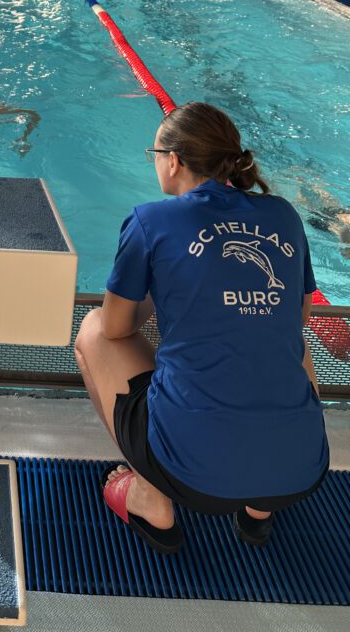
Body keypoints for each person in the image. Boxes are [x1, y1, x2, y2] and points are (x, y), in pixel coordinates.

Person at [74, 101, 328, 554]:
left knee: (91, 330)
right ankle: (259, 511)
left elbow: (115, 327)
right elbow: (300, 316)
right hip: (301, 469)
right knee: (285, 335)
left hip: (190, 474)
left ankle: (151, 496)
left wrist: (167, 286)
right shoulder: (283, 214)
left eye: (154, 154)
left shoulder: (151, 220)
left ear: (172, 161)